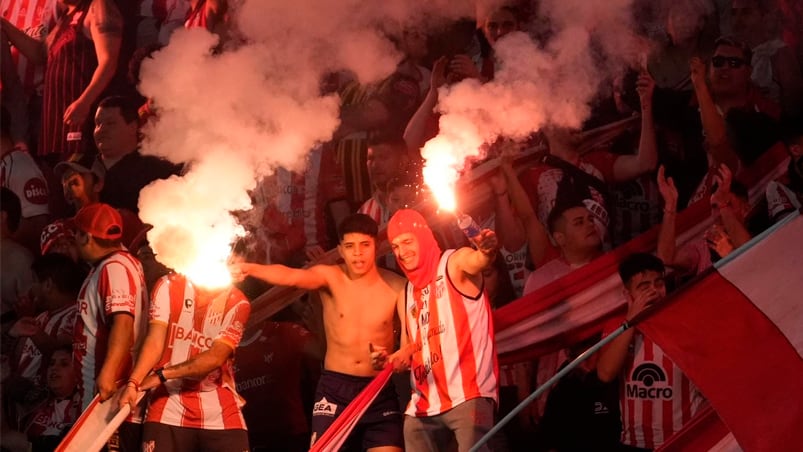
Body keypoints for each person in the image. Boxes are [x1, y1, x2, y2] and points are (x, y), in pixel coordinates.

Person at [233, 213, 407, 451]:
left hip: (378, 390)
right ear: (341, 250)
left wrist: (390, 358)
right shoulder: (330, 276)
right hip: (335, 390)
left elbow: (410, 345)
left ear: (376, 245)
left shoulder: (397, 287)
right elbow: (291, 276)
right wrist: (250, 268)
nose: (357, 253)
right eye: (350, 246)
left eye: (365, 245)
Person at [377, 208, 499, 452]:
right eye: (396, 246)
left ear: (423, 237)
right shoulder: (406, 293)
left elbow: (479, 260)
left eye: (408, 242)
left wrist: (486, 251)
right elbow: (409, 349)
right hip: (423, 405)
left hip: (468, 395)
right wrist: (390, 360)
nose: (402, 252)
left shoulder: (453, 263)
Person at [117, 272, 251, 451]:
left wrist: (161, 375)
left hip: (220, 414)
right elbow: (155, 341)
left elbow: (214, 358)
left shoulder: (237, 302)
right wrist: (133, 383)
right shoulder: (168, 285)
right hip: (167, 408)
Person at [596, 253, 705, 450]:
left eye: (659, 283)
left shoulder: (688, 322)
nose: (654, 291)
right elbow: (605, 373)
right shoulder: (616, 327)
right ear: (627, 294)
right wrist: (630, 323)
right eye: (644, 287)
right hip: (634, 443)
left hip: (684, 441)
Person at [0, 0, 123, 162]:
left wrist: (84, 101)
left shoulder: (97, 6)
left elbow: (108, 62)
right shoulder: (66, 18)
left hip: (80, 120)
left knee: (77, 174)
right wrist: (4, 25)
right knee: (56, 175)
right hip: (55, 122)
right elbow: (39, 54)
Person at [72, 202, 147, 449]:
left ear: (86, 237)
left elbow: (123, 322)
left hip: (108, 399)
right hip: (102, 396)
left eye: (76, 232)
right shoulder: (117, 264)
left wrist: (109, 373)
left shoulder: (114, 267)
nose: (73, 238)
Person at [93, 95, 182, 214]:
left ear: (133, 126)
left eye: (110, 123)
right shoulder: (79, 170)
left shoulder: (158, 172)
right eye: (98, 124)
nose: (101, 130)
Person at [9, 254, 84, 390]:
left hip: (47, 405)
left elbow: (60, 351)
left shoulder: (75, 315)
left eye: (34, 281)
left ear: (48, 285)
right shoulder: (42, 316)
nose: (31, 289)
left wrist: (33, 331)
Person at [22, 346, 82, 452]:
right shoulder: (35, 402)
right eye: (51, 363)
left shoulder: (85, 405)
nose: (54, 368)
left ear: (78, 374)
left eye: (64, 364)